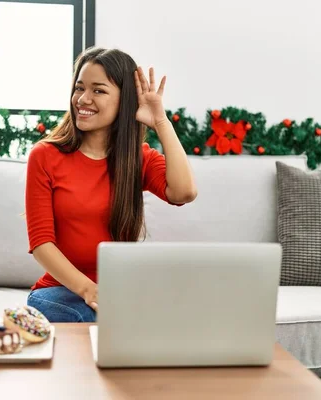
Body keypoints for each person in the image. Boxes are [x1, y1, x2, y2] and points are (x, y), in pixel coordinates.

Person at [25, 47, 197, 323]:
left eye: (98, 90)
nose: (83, 98)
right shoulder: (45, 156)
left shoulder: (136, 159)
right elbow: (42, 244)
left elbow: (184, 191)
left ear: (124, 101)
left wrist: (160, 121)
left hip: (118, 291)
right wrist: (89, 290)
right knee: (97, 320)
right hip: (60, 293)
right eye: (79, 88)